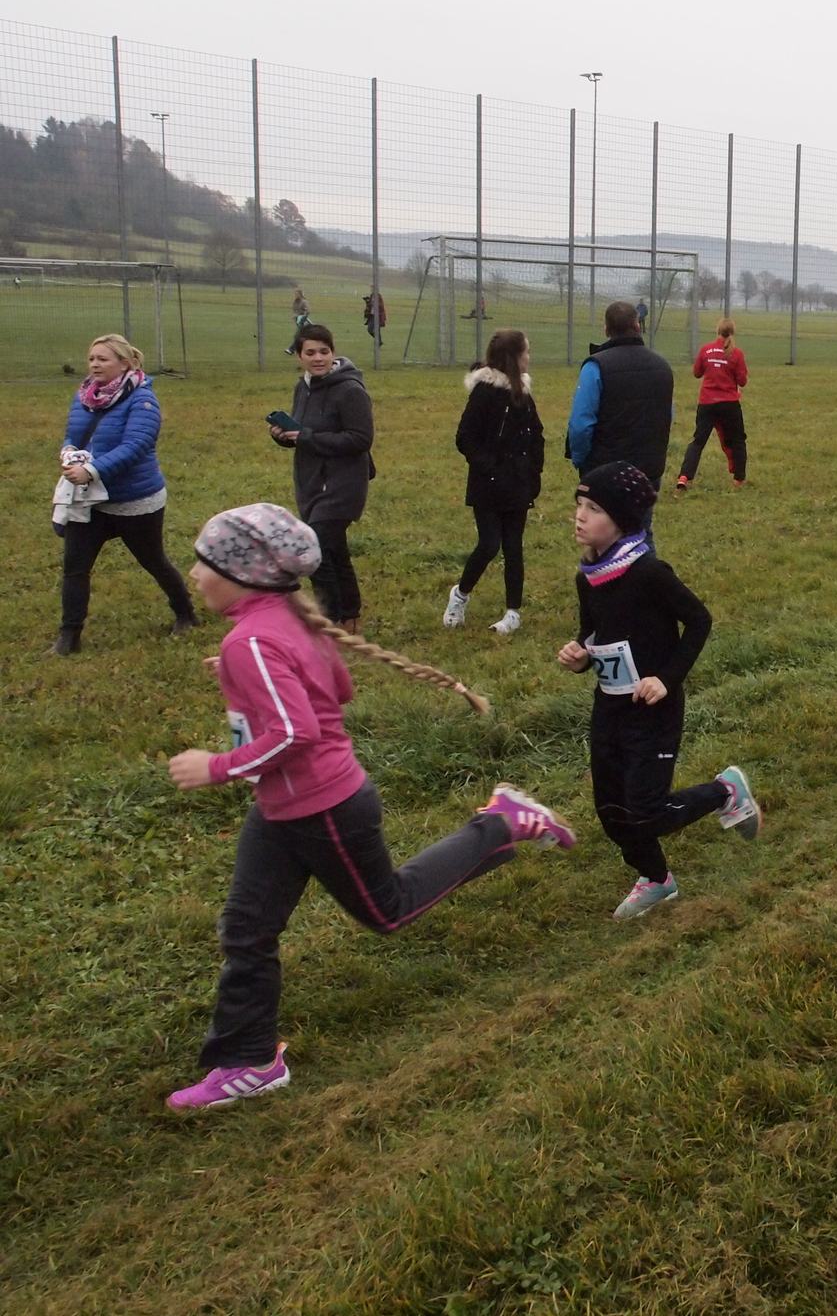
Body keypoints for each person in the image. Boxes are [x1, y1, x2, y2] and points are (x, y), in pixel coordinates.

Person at [162, 503, 574, 1111]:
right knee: (247, 929)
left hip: (324, 808)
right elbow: (337, 688)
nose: (195, 574)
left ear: (246, 574)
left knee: (389, 910)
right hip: (280, 807)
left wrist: (216, 767)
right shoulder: (278, 623)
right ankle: (250, 1060)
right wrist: (249, 672)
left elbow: (294, 733)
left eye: (206, 563)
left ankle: (500, 822)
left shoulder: (252, 638)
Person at [556, 462, 760, 918]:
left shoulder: (649, 572)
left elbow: (699, 621)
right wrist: (581, 655)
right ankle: (656, 879)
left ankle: (725, 791)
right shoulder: (588, 576)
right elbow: (593, 633)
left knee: (647, 810)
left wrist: (666, 679)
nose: (580, 515)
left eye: (594, 508)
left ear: (622, 519)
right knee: (612, 810)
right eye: (579, 505)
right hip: (609, 708)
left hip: (654, 709)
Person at [50, 333, 197, 654]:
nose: (94, 365)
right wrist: (69, 453)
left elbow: (136, 445)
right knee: (75, 567)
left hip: (135, 500)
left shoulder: (143, 400)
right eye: (92, 359)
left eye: (103, 359)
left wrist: (91, 470)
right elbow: (73, 435)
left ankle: (185, 613)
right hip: (90, 500)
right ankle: (69, 637)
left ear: (125, 363)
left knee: (153, 561)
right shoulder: (85, 395)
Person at [269, 324, 373, 632]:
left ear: (333, 352)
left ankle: (330, 620)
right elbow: (303, 433)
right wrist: (284, 436)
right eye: (310, 352)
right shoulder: (303, 388)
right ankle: (351, 616)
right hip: (311, 482)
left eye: (324, 352)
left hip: (343, 485)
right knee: (334, 551)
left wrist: (307, 437)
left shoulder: (351, 391)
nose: (318, 358)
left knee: (314, 551)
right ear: (299, 356)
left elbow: (360, 439)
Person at [445, 329, 544, 636]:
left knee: (514, 546)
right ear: (513, 358)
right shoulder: (485, 392)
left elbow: (535, 434)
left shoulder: (523, 394)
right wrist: (491, 468)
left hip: (518, 483)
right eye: (526, 352)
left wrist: (533, 471)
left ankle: (513, 612)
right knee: (489, 544)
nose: (529, 358)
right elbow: (465, 437)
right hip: (487, 485)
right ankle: (460, 595)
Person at [567, 301, 675, 484]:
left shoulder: (595, 366)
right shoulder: (662, 367)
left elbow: (581, 424)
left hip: (604, 471)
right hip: (648, 470)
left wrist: (580, 460)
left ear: (606, 330)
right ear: (638, 327)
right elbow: (666, 415)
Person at [676, 317, 749, 492]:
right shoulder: (737, 353)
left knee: (698, 441)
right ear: (733, 332)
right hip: (729, 403)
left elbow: (697, 373)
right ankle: (738, 479)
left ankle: (684, 477)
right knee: (738, 440)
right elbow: (742, 381)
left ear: (717, 331)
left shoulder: (706, 349)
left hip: (707, 402)